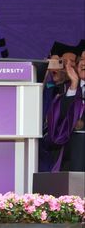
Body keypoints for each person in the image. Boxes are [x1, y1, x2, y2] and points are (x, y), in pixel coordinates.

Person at [44, 40, 85, 171]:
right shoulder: (66, 89)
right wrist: (73, 86)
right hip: (69, 160)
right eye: (82, 59)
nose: (84, 63)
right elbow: (59, 120)